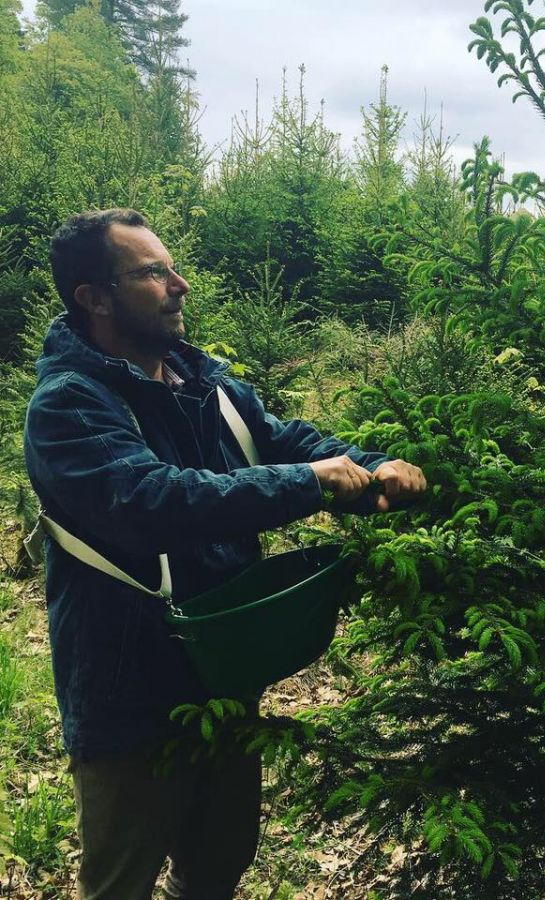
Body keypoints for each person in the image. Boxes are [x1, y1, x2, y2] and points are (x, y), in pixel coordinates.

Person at [23, 208, 426, 899]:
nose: (180, 284)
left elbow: (285, 440)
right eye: (152, 272)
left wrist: (373, 466)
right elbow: (154, 501)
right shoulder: (68, 406)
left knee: (217, 865)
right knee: (121, 882)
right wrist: (308, 485)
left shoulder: (205, 384)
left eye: (172, 267)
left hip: (226, 677)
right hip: (128, 694)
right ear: (94, 297)